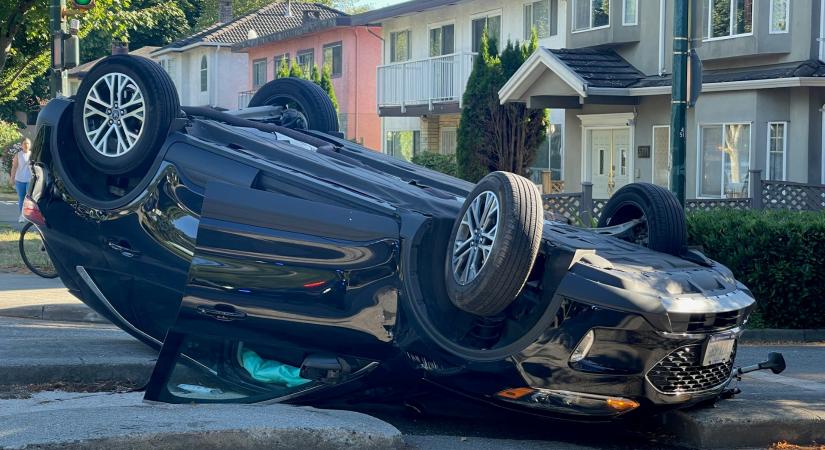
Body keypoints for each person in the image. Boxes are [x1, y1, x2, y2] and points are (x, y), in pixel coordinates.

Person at [8, 137, 32, 223]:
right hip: (19, 179)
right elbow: (14, 167)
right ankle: (22, 215)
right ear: (21, 145)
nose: (26, 145)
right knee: (21, 198)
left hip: (30, 179)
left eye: (28, 143)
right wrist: (12, 178)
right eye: (25, 143)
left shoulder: (33, 154)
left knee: (28, 198)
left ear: (30, 145)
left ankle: (29, 216)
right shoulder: (18, 155)